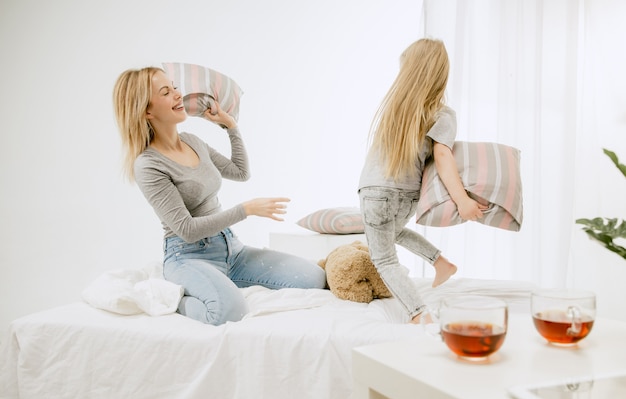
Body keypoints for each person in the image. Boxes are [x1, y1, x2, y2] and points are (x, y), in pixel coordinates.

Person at [112, 67, 327, 325]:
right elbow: (187, 229)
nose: (178, 95)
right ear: (146, 110)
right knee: (228, 312)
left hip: (232, 250)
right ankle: (174, 300)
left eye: (174, 87)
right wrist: (245, 210)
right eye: (166, 92)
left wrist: (230, 127)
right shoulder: (148, 165)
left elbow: (240, 171)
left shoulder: (192, 141)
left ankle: (222, 281)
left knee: (315, 278)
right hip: (188, 257)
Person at [358, 39, 487, 324]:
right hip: (406, 195)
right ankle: (441, 263)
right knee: (392, 232)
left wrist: (462, 200)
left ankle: (419, 314)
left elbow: (443, 157)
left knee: (384, 258)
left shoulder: (395, 108)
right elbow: (441, 155)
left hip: (375, 192)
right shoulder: (442, 114)